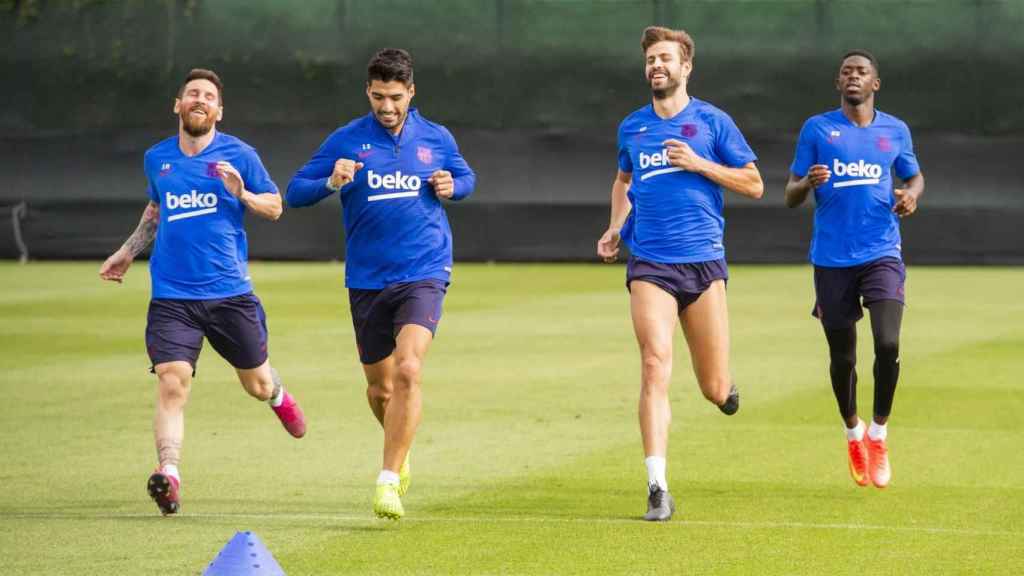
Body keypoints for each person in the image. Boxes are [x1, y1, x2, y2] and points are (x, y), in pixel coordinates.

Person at [99, 68, 306, 516]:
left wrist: (243, 193)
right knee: (173, 382)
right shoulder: (158, 158)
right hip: (172, 296)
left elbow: (275, 207)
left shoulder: (240, 155)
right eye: (192, 93)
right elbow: (157, 206)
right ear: (178, 105)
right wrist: (126, 251)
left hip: (230, 295)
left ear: (218, 110)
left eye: (208, 96)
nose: (200, 100)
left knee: (256, 382)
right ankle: (169, 476)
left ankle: (277, 396)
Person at [285, 48, 476, 520]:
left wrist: (455, 185)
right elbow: (294, 192)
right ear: (367, 93)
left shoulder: (435, 137)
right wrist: (331, 181)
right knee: (380, 390)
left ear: (411, 92)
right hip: (367, 279)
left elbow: (466, 176)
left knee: (409, 369)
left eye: (394, 97)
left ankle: (388, 479)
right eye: (377, 97)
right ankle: (401, 447)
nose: (386, 107)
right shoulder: (347, 140)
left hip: (425, 271)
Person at [596, 27, 764, 521]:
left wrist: (699, 163)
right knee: (655, 361)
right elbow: (624, 180)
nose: (656, 66)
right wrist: (614, 226)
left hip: (704, 263)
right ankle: (657, 486)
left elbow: (754, 184)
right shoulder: (633, 127)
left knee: (712, 387)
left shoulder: (712, 122)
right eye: (650, 59)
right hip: (650, 262)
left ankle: (724, 388)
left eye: (665, 58)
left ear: (686, 67)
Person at [784, 50, 923, 489]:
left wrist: (911, 195)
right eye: (846, 71)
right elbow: (789, 193)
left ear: (875, 84)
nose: (853, 77)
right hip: (831, 259)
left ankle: (878, 434)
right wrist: (809, 182)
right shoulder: (817, 129)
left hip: (881, 251)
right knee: (843, 356)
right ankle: (852, 431)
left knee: (887, 341)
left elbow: (914, 177)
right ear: (838, 82)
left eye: (861, 72)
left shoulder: (894, 130)